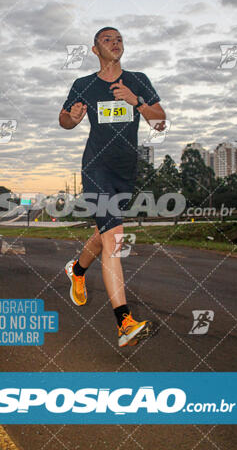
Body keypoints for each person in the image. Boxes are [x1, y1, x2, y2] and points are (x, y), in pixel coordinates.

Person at [59, 27, 167, 347]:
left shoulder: (138, 80)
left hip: (125, 172)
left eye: (119, 39)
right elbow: (64, 119)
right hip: (96, 167)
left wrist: (137, 102)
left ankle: (77, 270)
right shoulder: (84, 85)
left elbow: (159, 120)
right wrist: (73, 117)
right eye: (107, 40)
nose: (115, 43)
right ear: (95, 50)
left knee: (105, 234)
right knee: (115, 238)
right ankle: (124, 323)